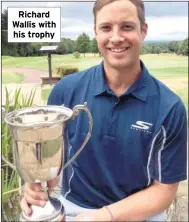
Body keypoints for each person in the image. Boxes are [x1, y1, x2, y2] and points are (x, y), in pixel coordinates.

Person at [20, 0, 187, 221]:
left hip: (141, 212)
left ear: (143, 30)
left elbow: (164, 190)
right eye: (106, 27)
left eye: (127, 26)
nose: (116, 37)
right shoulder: (66, 91)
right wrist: (34, 185)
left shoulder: (170, 107)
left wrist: (102, 217)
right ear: (96, 33)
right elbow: (50, 156)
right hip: (73, 207)